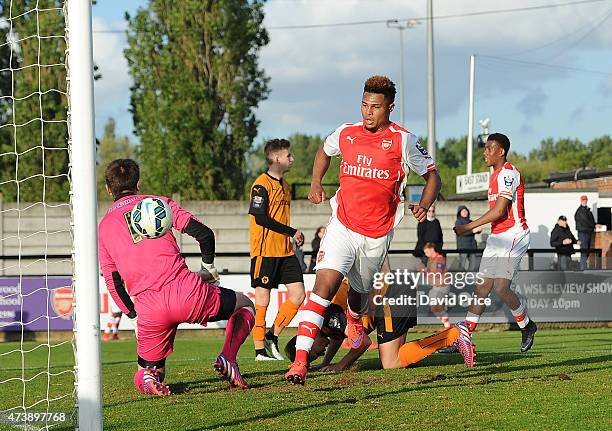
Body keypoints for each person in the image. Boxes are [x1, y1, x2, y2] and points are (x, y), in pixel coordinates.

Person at [285, 75, 441, 385]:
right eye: (364, 105)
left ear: (390, 108)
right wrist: (316, 182)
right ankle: (300, 363)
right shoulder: (346, 133)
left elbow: (433, 177)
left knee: (358, 296)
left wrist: (424, 203)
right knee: (322, 288)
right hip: (342, 225)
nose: (368, 112)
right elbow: (323, 152)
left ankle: (354, 322)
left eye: (375, 107)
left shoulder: (403, 140)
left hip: (376, 235)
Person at [98, 159, 255, 395]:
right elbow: (205, 234)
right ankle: (228, 358)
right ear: (138, 184)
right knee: (245, 306)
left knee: (149, 372)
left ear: (109, 189)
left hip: (150, 310)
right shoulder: (160, 204)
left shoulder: (104, 226)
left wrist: (133, 315)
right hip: (189, 294)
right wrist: (209, 271)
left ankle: (150, 379)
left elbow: (113, 281)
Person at [454, 133, 537, 365]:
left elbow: (501, 211)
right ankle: (465, 335)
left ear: (501, 152)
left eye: (490, 148)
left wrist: (468, 227)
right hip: (497, 236)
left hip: (514, 234)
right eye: (485, 148)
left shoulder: (509, 173)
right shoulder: (495, 176)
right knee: (481, 289)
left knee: (501, 287)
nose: (485, 152)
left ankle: (526, 325)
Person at [284, 275, 472, 371]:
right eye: (317, 357)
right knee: (397, 359)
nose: (319, 353)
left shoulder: (326, 315)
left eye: (314, 353)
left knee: (391, 362)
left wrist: (340, 365)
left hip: (391, 296)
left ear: (308, 340)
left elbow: (363, 343)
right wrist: (326, 363)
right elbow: (337, 336)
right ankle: (454, 336)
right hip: (392, 294)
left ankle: (453, 335)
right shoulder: (323, 324)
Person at [248, 139, 306, 361]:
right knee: (263, 298)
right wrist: (292, 231)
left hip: (285, 251)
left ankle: (273, 335)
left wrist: (292, 235)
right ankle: (260, 350)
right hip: (265, 251)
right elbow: (261, 218)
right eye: (288, 155)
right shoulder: (261, 184)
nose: (292, 158)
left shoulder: (285, 185)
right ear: (276, 159)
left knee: (298, 294)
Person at [423, 243, 451, 328]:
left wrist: (429, 274)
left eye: (427, 252)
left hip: (443, 285)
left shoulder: (440, 259)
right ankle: (446, 323)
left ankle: (447, 326)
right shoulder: (430, 259)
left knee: (438, 306)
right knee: (433, 308)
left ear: (432, 249)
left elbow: (438, 272)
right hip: (435, 286)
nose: (425, 254)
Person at [455, 205, 481, 271]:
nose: (465, 212)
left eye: (466, 210)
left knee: (473, 265)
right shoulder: (458, 222)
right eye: (463, 211)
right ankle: (459, 278)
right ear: (459, 213)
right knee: (462, 265)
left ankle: (470, 279)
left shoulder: (471, 221)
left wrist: (478, 230)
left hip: (472, 246)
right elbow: (461, 232)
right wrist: (473, 231)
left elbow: (476, 230)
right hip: (463, 247)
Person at [574, 195, 596, 271]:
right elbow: (587, 221)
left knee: (586, 252)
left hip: (588, 233)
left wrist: (595, 224)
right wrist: (594, 225)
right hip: (583, 233)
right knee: (584, 251)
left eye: (585, 200)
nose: (584, 201)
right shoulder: (580, 211)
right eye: (583, 200)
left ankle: (583, 268)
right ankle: (582, 269)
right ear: (581, 200)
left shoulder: (587, 210)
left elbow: (591, 221)